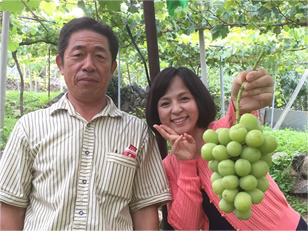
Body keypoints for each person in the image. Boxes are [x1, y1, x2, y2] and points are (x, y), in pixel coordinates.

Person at [0, 17, 171, 231]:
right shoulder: (30, 127)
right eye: (78, 55)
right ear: (60, 64)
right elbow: (11, 207)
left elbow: (144, 210)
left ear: (112, 67)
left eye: (100, 57)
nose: (88, 65)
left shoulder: (138, 133)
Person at [146, 67, 308, 230]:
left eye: (184, 98)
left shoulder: (222, 133)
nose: (176, 109)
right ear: (156, 111)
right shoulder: (168, 167)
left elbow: (236, 118)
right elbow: (188, 226)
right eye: (165, 103)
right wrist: (186, 164)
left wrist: (242, 102)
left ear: (199, 100)